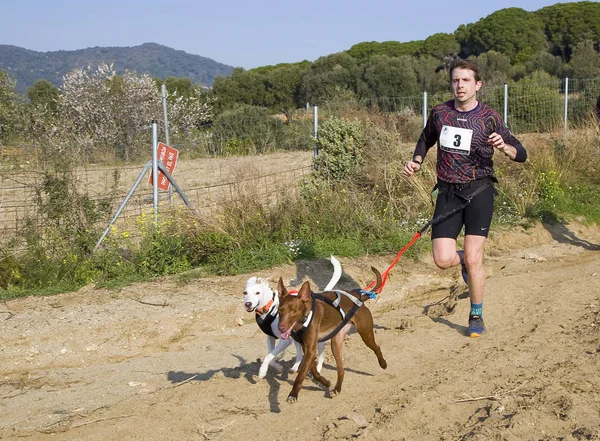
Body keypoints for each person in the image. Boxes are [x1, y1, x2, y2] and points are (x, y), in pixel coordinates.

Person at [403, 58, 527, 338]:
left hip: (479, 192)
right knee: (443, 259)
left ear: (477, 85)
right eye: (456, 80)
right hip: (448, 193)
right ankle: (469, 262)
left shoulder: (489, 117)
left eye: (466, 80)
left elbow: (521, 152)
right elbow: (426, 138)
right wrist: (417, 160)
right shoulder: (440, 113)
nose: (460, 85)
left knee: (474, 259)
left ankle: (476, 314)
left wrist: (505, 147)